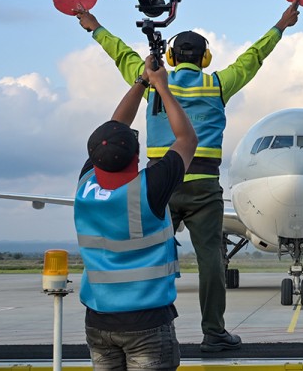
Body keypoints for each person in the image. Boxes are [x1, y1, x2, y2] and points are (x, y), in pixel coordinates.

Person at [75, 0, 300, 352]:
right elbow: (253, 58)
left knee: (151, 253)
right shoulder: (217, 84)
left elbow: (119, 53)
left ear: (173, 58)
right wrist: (281, 25)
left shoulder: (149, 79)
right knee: (211, 258)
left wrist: (94, 26)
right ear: (204, 58)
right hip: (204, 186)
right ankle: (214, 332)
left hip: (158, 183)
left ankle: (151, 326)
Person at [75, 55, 197, 370]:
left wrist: (141, 82)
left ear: (95, 157)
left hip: (98, 323)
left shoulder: (85, 184)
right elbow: (186, 139)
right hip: (147, 323)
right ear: (136, 155)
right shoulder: (150, 188)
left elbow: (113, 130)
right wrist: (161, 87)